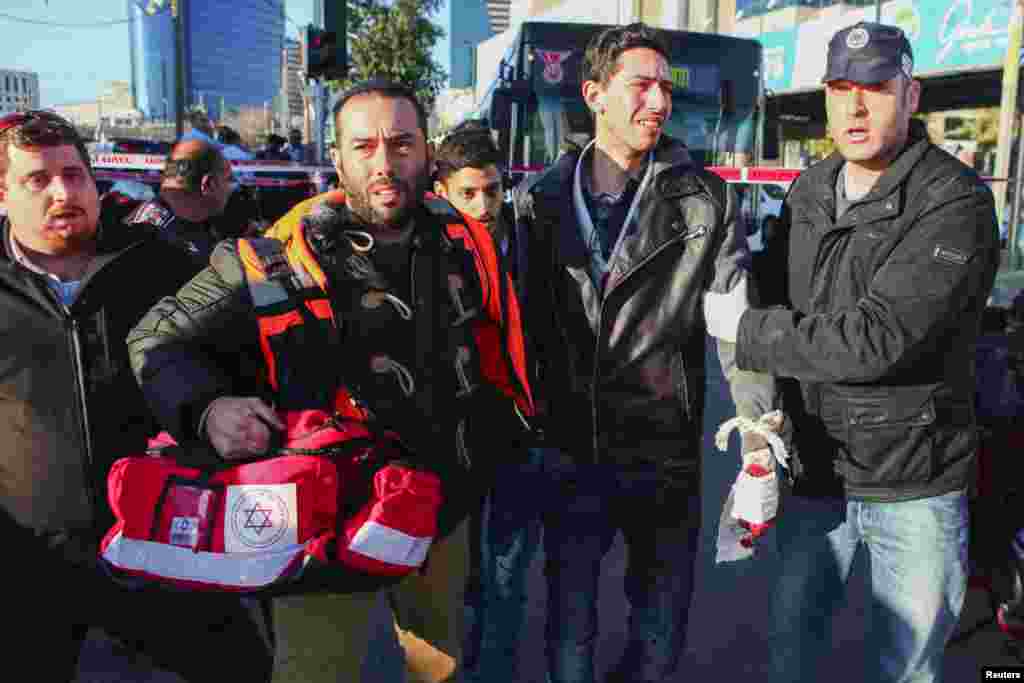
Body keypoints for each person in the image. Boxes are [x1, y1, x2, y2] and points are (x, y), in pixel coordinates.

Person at [128, 79, 535, 683]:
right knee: (316, 672)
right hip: (322, 515)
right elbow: (155, 337)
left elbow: (501, 356)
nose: (384, 163)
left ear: (426, 151)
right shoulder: (276, 252)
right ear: (337, 157)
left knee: (438, 667)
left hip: (438, 509)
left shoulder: (468, 240)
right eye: (363, 146)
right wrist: (208, 409)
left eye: (400, 143)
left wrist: (491, 455)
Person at [702, 22, 1000, 682]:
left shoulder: (954, 202)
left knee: (909, 667)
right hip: (817, 476)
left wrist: (745, 328)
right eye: (841, 90)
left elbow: (878, 339)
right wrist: (761, 431)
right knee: (789, 651)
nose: (856, 107)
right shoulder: (810, 189)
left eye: (875, 88)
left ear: (912, 94)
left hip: (913, 483)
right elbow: (773, 291)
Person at [515, 23, 777, 683]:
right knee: (569, 624)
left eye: (666, 87)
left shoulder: (705, 201)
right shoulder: (539, 203)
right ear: (594, 94)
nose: (659, 102)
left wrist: (756, 431)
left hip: (663, 453)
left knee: (659, 633)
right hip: (569, 449)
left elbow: (732, 320)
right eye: (642, 85)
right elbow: (514, 331)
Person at [0, 110, 273, 682]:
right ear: (3, 193)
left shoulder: (160, 265)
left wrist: (215, 409)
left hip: (164, 536)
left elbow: (240, 367)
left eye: (74, 174)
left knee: (241, 671)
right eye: (37, 179)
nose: (62, 192)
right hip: (31, 560)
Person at [432, 119, 546, 682]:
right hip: (451, 442)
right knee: (454, 583)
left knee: (506, 576)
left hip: (518, 436)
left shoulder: (526, 239)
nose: (483, 204)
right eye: (468, 193)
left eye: (493, 190)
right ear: (442, 191)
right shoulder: (426, 249)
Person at [124, 138, 239, 266]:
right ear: (208, 184)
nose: (231, 188)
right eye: (229, 179)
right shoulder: (164, 243)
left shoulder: (151, 220)